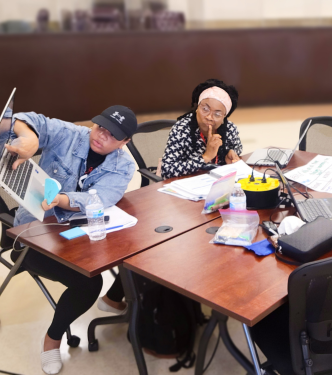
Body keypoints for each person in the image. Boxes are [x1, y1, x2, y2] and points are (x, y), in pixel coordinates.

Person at [9, 106, 137, 374]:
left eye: (113, 135)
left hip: (78, 237)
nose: (102, 135)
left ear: (125, 143)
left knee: (134, 253)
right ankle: (52, 341)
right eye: (101, 126)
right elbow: (30, 121)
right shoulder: (69, 134)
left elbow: (99, 199)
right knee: (88, 284)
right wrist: (28, 135)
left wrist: (61, 200)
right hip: (33, 236)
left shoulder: (124, 166)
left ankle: (116, 300)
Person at [159, 78, 243, 179]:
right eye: (205, 109)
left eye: (217, 114)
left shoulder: (229, 128)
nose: (209, 117)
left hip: (217, 182)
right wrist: (205, 157)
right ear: (197, 108)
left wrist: (230, 152)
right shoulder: (181, 129)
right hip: (188, 184)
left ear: (224, 117)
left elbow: (238, 148)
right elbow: (166, 170)